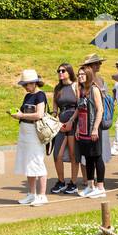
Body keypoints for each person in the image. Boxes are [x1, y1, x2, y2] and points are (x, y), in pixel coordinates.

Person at [65, 65, 106, 198]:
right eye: (79, 74)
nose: (80, 76)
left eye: (82, 74)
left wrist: (95, 128)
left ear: (88, 75)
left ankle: (100, 187)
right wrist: (75, 124)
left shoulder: (94, 89)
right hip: (83, 129)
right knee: (87, 158)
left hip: (93, 128)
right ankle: (90, 185)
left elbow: (100, 110)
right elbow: (80, 108)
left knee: (97, 157)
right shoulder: (82, 90)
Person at [11, 69, 49, 206]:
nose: (26, 87)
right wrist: (17, 114)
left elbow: (39, 114)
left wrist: (22, 116)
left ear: (34, 83)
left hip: (35, 132)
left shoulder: (40, 95)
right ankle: (32, 194)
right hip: (25, 132)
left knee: (37, 162)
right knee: (28, 164)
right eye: (24, 84)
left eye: (27, 84)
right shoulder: (27, 96)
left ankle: (42, 195)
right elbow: (25, 113)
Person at [50, 63, 78, 195]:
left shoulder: (75, 85)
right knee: (57, 155)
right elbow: (55, 108)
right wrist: (55, 120)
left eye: (63, 71)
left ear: (69, 72)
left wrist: (72, 121)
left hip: (73, 121)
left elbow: (79, 105)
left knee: (73, 154)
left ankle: (73, 183)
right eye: (58, 71)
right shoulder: (57, 88)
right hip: (61, 122)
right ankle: (61, 181)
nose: (60, 73)